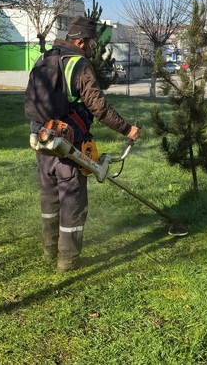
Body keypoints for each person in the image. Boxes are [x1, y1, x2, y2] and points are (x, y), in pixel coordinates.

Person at [27, 15, 141, 272]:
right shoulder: (79, 64)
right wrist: (127, 129)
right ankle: (67, 261)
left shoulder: (42, 59)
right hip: (69, 145)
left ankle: (49, 250)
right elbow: (98, 107)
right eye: (90, 43)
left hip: (42, 140)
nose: (92, 49)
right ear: (80, 40)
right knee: (72, 203)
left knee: (49, 199)